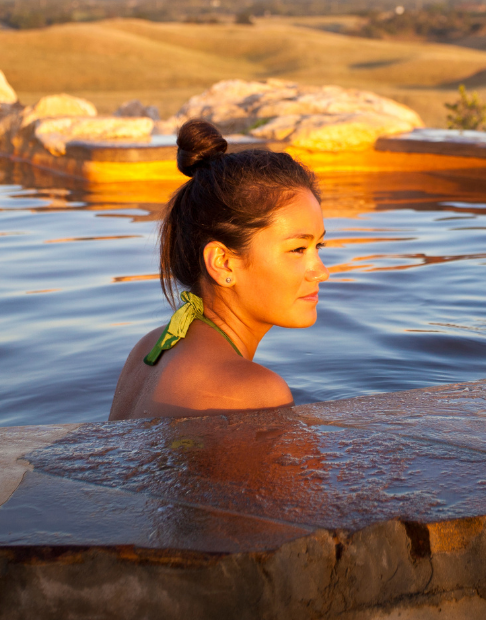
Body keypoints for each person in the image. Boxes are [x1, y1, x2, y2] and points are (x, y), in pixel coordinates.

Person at [108, 119, 329, 420]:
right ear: (223, 262)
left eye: (319, 247)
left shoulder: (151, 349)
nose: (320, 272)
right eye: (298, 249)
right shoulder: (254, 393)